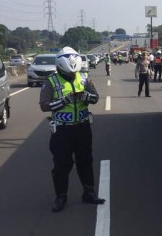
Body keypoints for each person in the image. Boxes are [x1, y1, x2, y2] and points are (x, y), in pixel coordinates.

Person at [39, 46, 105, 213]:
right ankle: (61, 196)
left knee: (86, 160)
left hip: (82, 127)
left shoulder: (84, 79)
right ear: (60, 67)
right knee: (62, 164)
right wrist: (64, 100)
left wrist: (85, 96)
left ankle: (89, 192)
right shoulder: (51, 81)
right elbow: (44, 106)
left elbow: (96, 98)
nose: (71, 75)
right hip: (62, 131)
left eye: (73, 72)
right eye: (68, 73)